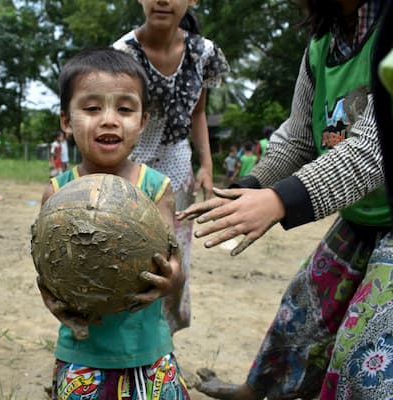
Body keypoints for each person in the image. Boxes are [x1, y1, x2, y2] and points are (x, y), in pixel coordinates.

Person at [176, 0, 390, 398]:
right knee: (302, 311)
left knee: (367, 351)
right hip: (362, 216)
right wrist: (250, 187)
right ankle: (256, 393)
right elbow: (298, 137)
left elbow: (373, 149)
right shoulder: (321, 45)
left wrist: (279, 201)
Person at [37, 47, 190, 399]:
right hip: (83, 351)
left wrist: (172, 277)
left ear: (143, 121)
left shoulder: (156, 188)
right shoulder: (57, 194)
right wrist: (49, 296)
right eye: (91, 108)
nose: (109, 119)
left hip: (149, 350)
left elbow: (174, 261)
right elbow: (47, 267)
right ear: (65, 120)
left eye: (125, 109)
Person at [113, 0, 229, 334]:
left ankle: (162, 347)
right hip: (129, 170)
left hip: (178, 175)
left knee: (173, 265)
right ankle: (116, 349)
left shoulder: (202, 53)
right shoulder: (122, 55)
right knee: (125, 258)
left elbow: (198, 113)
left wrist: (206, 165)